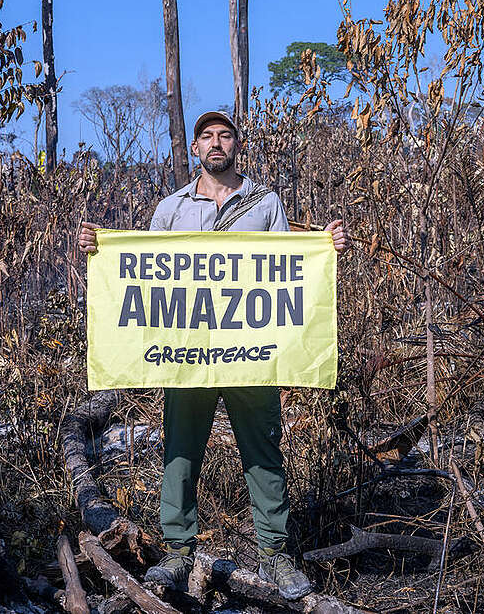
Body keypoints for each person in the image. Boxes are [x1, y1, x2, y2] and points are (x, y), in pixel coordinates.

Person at [78, 110, 346, 599]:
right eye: (207, 136)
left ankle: (276, 557)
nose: (216, 142)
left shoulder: (265, 203)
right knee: (180, 453)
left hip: (252, 354)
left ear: (236, 144)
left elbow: (291, 269)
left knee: (263, 454)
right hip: (188, 357)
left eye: (225, 134)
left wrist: (325, 248)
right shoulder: (172, 208)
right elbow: (142, 268)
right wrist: (100, 247)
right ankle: (178, 553)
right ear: (196, 148)